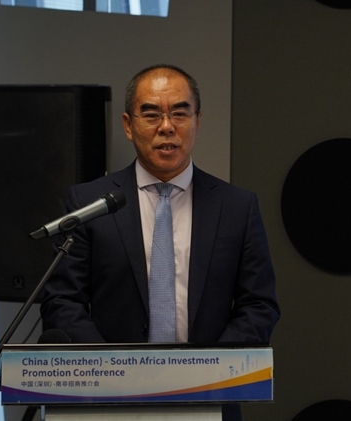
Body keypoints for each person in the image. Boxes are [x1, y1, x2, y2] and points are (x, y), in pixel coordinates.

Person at [39, 64, 280, 419]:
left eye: (180, 113)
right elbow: (62, 300)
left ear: (197, 121)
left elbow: (259, 304)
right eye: (151, 115)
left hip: (208, 397)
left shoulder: (236, 207)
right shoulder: (90, 203)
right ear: (128, 125)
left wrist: (206, 371)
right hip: (110, 400)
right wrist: (113, 371)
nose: (166, 127)